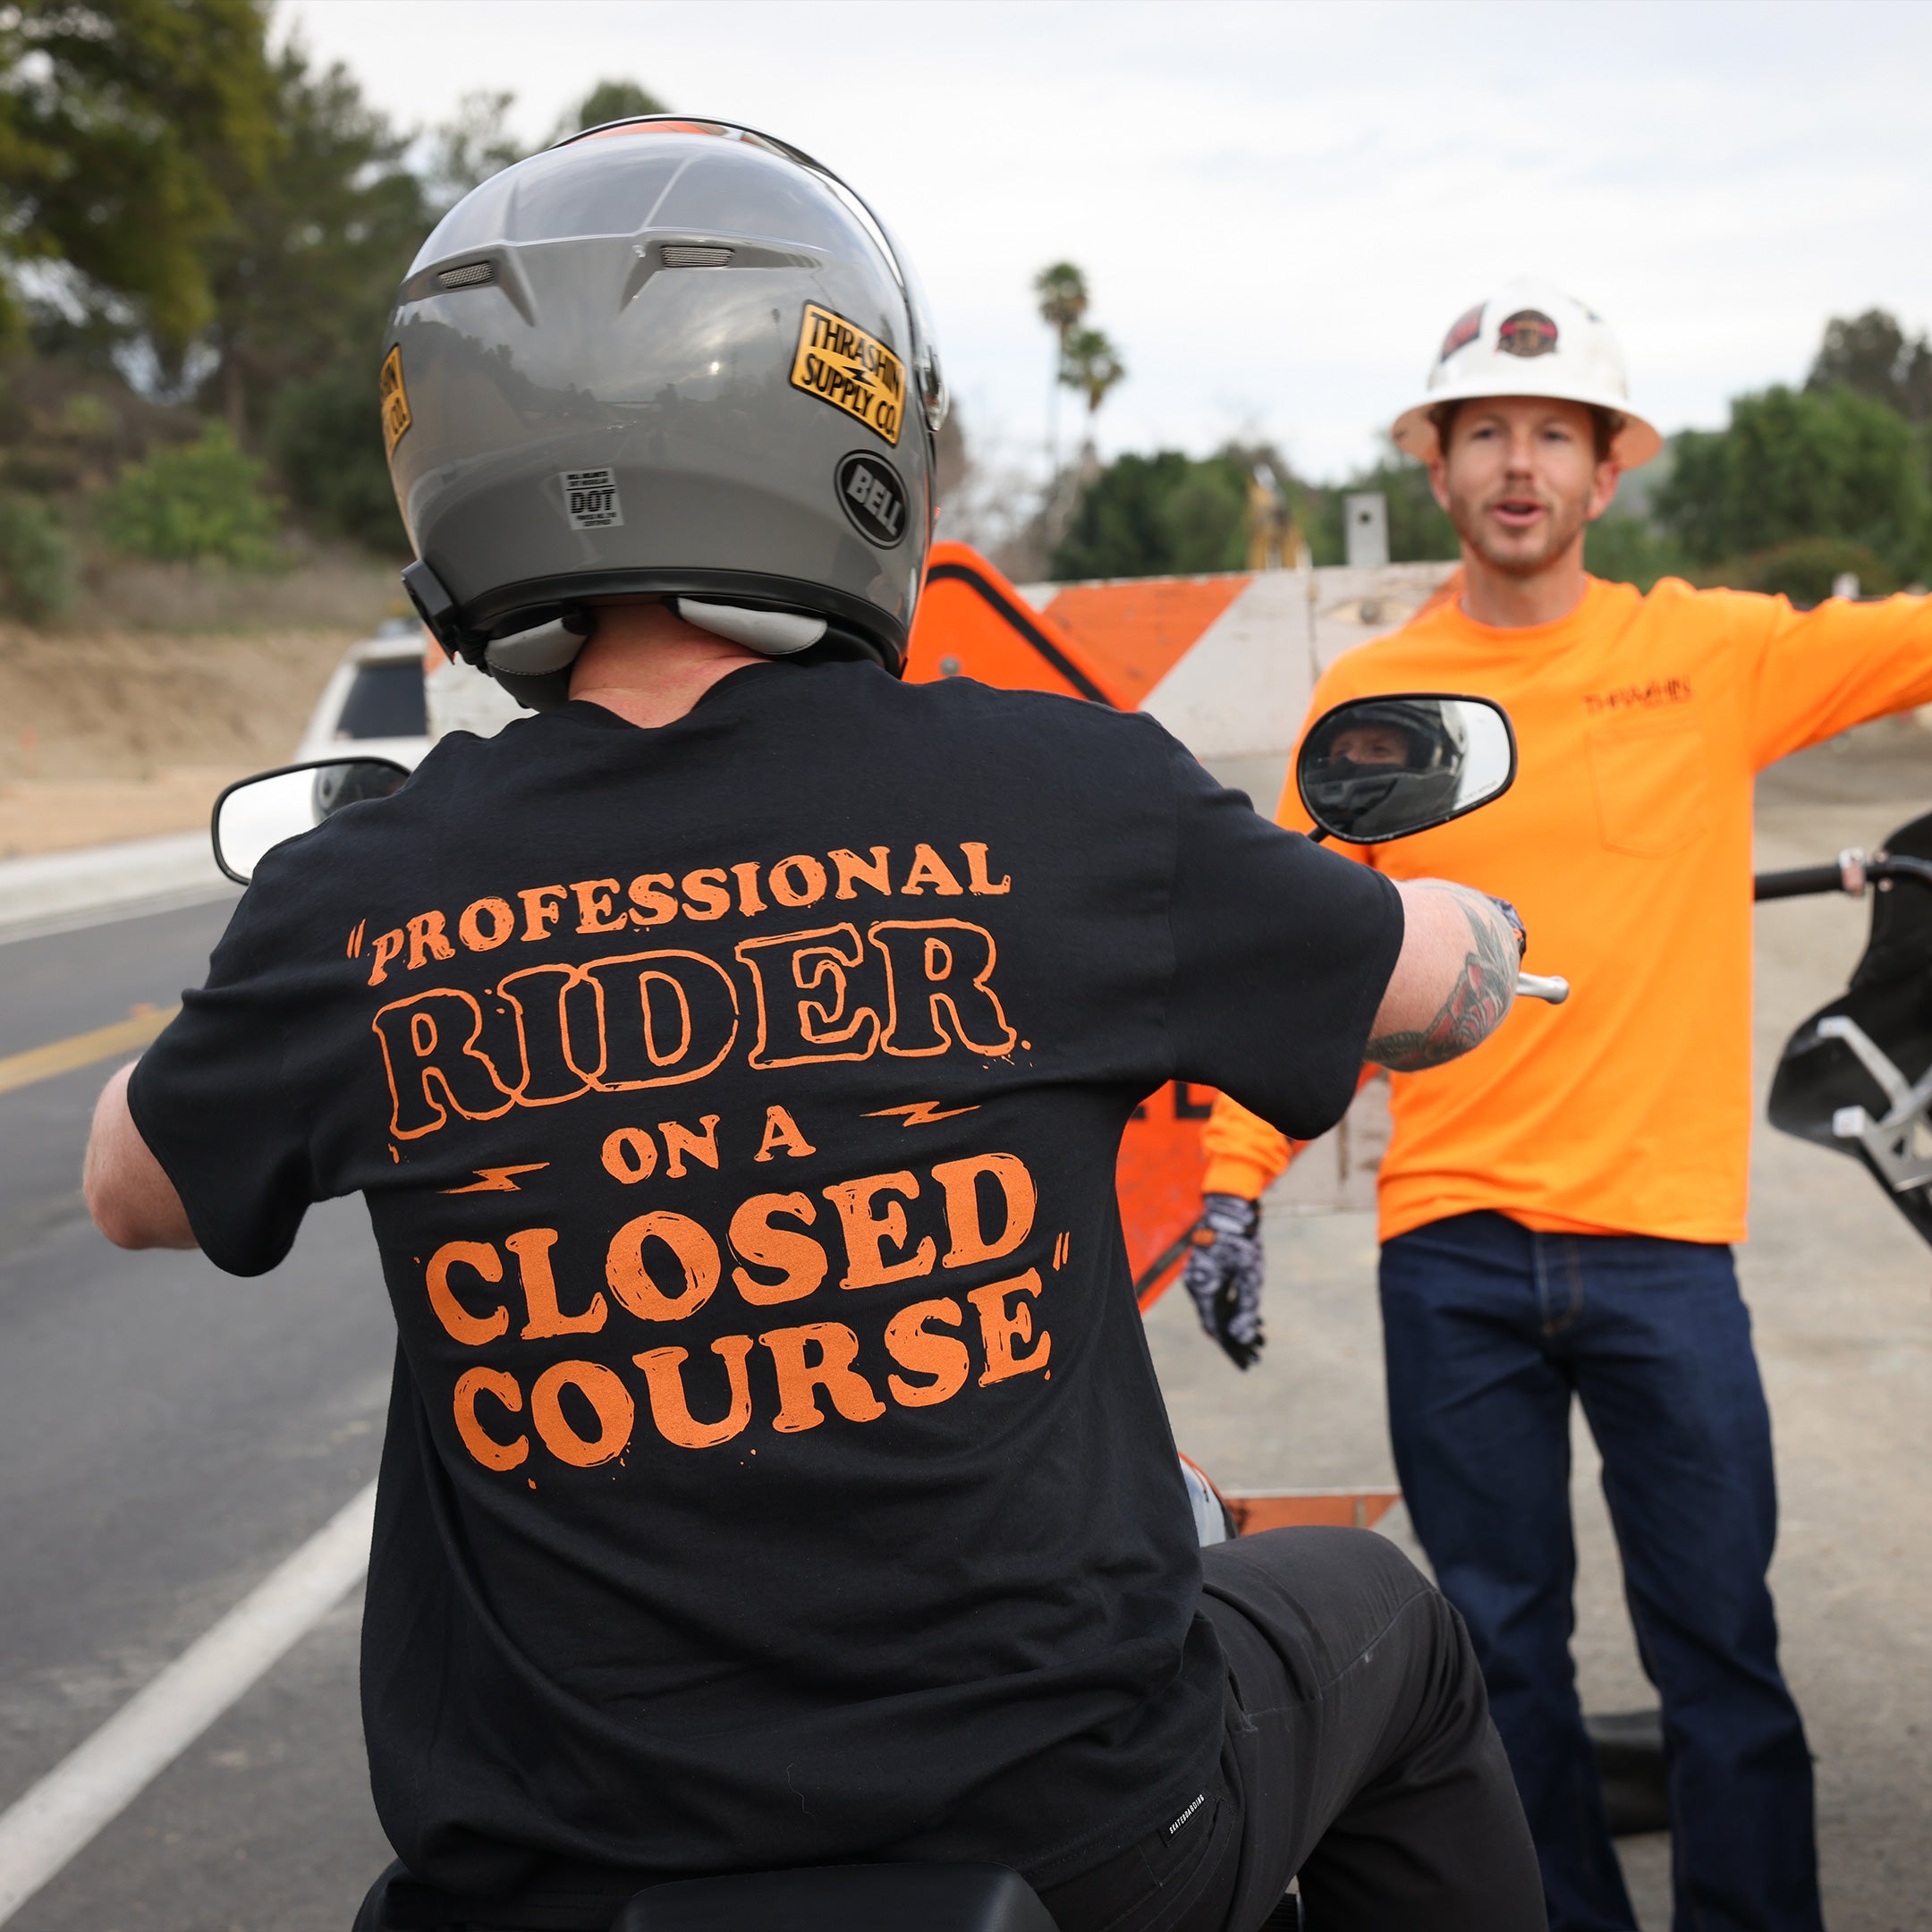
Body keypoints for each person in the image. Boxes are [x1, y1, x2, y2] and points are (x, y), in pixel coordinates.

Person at [80, 123, 1544, 1932]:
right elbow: (1425, 993)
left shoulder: (361, 894)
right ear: (851, 449)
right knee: (1388, 1629)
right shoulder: (1058, 800)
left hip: (552, 1882)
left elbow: (131, 1190)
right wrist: (1478, 917)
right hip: (1079, 1842)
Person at [1186, 275, 1932, 1932]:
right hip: (1452, 1253)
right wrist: (1234, 1176)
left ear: (1607, 473)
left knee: (1721, 1656)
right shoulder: (1371, 702)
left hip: (1669, 1250)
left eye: (1556, 435)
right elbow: (1310, 956)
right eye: (1487, 435)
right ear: (1439, 467)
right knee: (1501, 1664)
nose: (1521, 466)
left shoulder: (1711, 653)